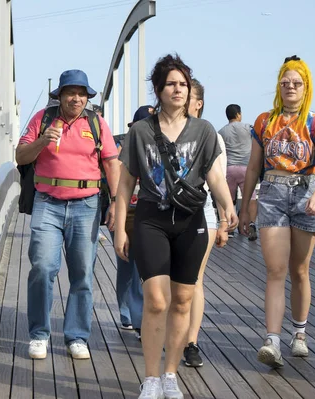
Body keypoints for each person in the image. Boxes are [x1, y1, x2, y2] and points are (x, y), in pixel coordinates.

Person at [114, 54, 237, 399]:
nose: (178, 89)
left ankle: (170, 374)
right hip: (152, 218)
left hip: (191, 219)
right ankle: (151, 378)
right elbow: (125, 185)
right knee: (156, 300)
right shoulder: (140, 132)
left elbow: (214, 176)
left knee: (183, 300)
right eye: (171, 84)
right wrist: (121, 229)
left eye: (183, 84)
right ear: (158, 89)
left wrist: (227, 207)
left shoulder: (204, 130)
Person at [16, 69, 120, 360]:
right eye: (70, 93)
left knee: (83, 273)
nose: (76, 98)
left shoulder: (97, 123)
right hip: (47, 202)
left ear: (87, 97)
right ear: (59, 95)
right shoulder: (42, 119)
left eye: (82, 93)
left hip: (86, 204)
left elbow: (112, 165)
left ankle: (77, 336)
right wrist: (42, 141)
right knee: (43, 268)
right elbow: (20, 157)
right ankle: (39, 334)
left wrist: (115, 203)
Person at [239, 55, 315, 368]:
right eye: (285, 83)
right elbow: (253, 166)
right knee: (275, 270)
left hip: (306, 193)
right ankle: (272, 340)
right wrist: (244, 208)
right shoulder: (265, 121)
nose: (290, 87)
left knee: (300, 269)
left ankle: (300, 334)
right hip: (273, 193)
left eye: (297, 83)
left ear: (306, 87)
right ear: (278, 86)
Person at [183, 78, 228, 368]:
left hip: (204, 212)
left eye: (189, 96)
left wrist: (225, 221)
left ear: (198, 103)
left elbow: (219, 182)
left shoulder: (212, 135)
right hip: (167, 214)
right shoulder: (162, 131)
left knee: (194, 280)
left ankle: (191, 343)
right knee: (169, 283)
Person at [112, 107, 152, 337]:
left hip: (148, 211)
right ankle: (127, 312)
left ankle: (138, 318)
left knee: (140, 268)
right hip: (127, 211)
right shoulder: (124, 146)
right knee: (126, 266)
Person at [218, 104, 259, 240]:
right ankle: (251, 224)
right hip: (246, 169)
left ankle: (229, 227)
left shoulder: (221, 132)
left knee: (228, 199)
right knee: (252, 198)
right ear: (239, 114)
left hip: (229, 169)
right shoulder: (248, 128)